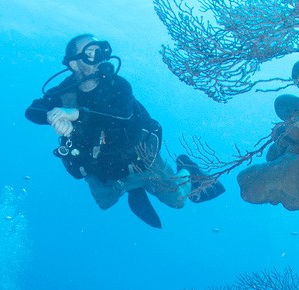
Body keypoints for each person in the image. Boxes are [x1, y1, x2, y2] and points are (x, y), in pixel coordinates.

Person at [25, 34, 223, 228]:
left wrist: (76, 114)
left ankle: (186, 168)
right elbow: (32, 111)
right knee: (105, 203)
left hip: (139, 159)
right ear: (74, 64)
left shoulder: (117, 85)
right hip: (101, 165)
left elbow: (122, 117)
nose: (99, 58)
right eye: (90, 53)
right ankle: (132, 187)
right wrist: (53, 116)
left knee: (178, 201)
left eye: (100, 51)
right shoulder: (66, 91)